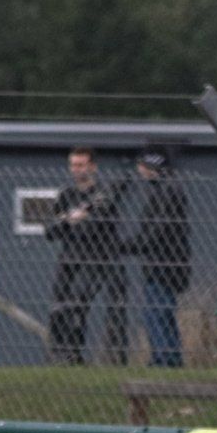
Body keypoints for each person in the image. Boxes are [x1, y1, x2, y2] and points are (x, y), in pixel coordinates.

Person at [44, 148, 129, 365]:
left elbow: (101, 223)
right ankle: (64, 356)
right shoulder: (66, 195)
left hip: (96, 259)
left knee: (80, 304)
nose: (76, 170)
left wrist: (85, 217)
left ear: (92, 167)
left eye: (81, 165)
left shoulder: (104, 194)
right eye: (73, 165)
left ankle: (93, 355)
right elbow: (50, 231)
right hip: (69, 259)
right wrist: (67, 220)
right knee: (58, 309)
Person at [119, 146, 190, 367]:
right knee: (162, 311)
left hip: (163, 263)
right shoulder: (166, 189)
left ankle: (163, 358)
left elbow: (156, 231)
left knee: (156, 312)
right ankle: (170, 357)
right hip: (167, 262)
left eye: (141, 165)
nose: (139, 170)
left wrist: (127, 246)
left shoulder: (166, 192)